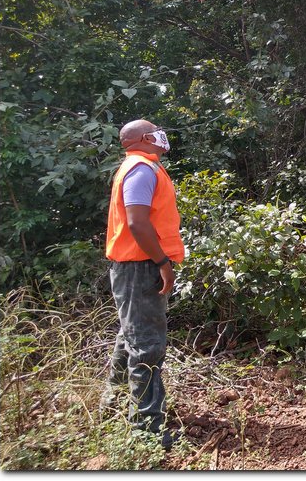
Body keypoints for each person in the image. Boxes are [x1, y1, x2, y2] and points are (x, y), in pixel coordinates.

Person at [100, 119, 185, 449]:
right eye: (157, 131)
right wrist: (163, 264)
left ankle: (112, 404)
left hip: (133, 266)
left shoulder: (138, 167)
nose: (162, 135)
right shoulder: (141, 169)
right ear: (146, 139)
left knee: (130, 336)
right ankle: (148, 431)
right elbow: (137, 222)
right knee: (147, 345)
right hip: (141, 267)